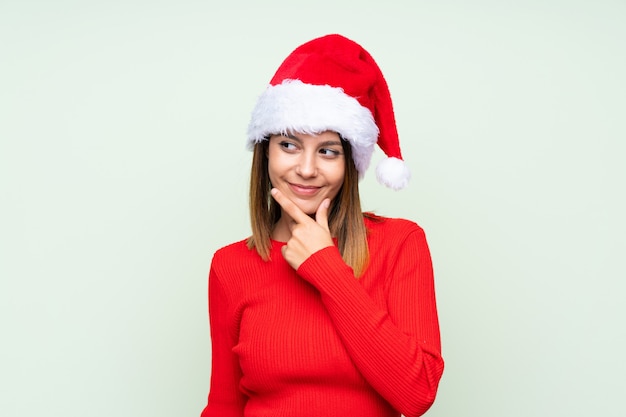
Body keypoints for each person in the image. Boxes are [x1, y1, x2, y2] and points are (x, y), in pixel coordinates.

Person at [200, 34, 444, 417]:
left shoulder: (400, 244)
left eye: (328, 150)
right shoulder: (230, 265)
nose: (307, 169)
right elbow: (225, 405)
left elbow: (416, 394)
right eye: (289, 145)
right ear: (265, 152)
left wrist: (326, 267)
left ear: (349, 165)